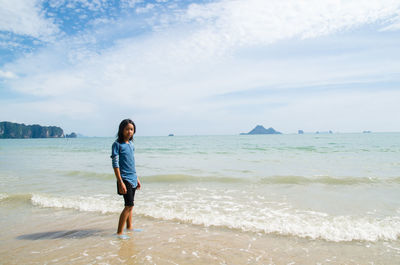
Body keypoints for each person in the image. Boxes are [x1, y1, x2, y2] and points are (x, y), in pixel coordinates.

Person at [111, 119, 141, 239]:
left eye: (132, 129)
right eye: (127, 129)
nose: (129, 131)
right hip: (124, 179)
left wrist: (137, 178)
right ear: (122, 130)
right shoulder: (117, 145)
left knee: (131, 205)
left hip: (132, 178)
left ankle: (129, 227)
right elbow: (115, 164)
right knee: (128, 205)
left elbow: (131, 163)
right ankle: (119, 233)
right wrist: (120, 181)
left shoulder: (131, 145)